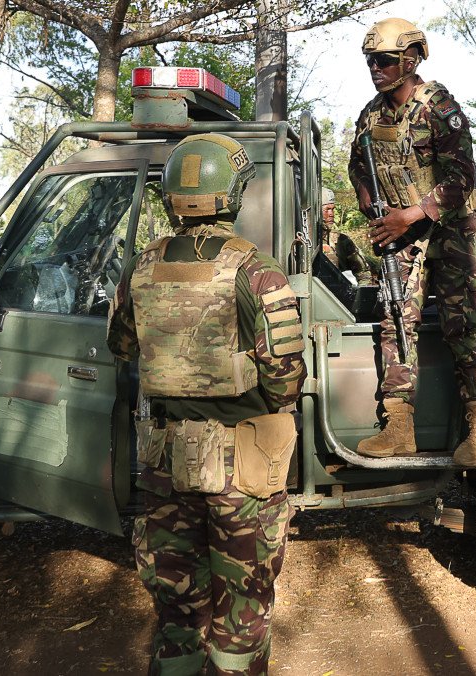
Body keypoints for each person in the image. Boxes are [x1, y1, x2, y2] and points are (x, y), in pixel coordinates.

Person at [107, 133, 307, 675]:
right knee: (241, 613)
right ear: (234, 193)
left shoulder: (141, 268)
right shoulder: (256, 270)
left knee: (176, 613)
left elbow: (121, 347)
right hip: (241, 472)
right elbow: (287, 378)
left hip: (165, 467)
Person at [347, 17, 476, 467]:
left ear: (410, 60)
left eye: (384, 60)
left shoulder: (439, 107)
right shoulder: (370, 114)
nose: (375, 68)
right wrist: (370, 201)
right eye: (371, 60)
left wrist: (410, 216)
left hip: (449, 229)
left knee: (460, 324)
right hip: (401, 233)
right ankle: (398, 427)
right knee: (396, 319)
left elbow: (461, 178)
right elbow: (359, 165)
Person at [319, 187, 374, 284]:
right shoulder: (303, 240)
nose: (331, 214)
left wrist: (359, 296)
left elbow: (364, 274)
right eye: (327, 210)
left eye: (332, 209)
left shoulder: (341, 240)